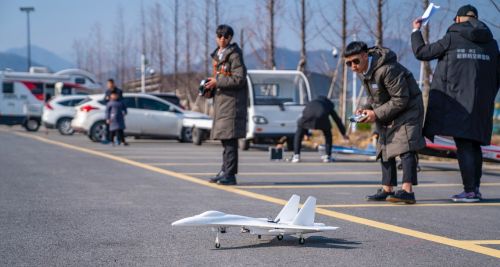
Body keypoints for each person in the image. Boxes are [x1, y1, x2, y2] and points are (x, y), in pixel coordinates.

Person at [411, 4, 499, 202]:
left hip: (457, 103)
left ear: (459, 19)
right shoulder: (492, 43)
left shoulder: (452, 38)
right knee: (474, 145)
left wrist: (416, 30)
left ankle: (470, 191)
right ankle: (474, 189)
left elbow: (422, 53)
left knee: (464, 145)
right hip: (482, 104)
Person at [344, 41, 426, 204]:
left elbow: (401, 98)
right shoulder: (363, 71)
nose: (353, 66)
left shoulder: (388, 69)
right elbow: (373, 96)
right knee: (384, 145)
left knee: (405, 146)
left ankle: (407, 191)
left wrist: (376, 113)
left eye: (355, 61)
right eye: (348, 63)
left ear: (365, 56)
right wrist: (364, 109)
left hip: (409, 108)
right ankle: (387, 188)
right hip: (389, 107)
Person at [204, 24, 248, 186]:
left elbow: (239, 79)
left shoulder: (234, 55)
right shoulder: (219, 55)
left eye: (226, 36)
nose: (222, 39)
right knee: (225, 140)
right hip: (222, 103)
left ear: (230, 38)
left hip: (232, 105)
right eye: (219, 36)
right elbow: (221, 80)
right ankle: (224, 171)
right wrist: (209, 88)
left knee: (230, 141)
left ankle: (230, 175)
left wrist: (218, 81)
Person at [292, 96, 348, 163]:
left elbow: (305, 113)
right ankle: (327, 156)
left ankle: (296, 155)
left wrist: (305, 133)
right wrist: (343, 133)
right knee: (328, 135)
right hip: (322, 117)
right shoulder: (328, 104)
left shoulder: (311, 102)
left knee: (298, 133)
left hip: (307, 117)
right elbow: (336, 119)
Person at [102, 79, 123, 144]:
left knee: (118, 126)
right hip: (109, 111)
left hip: (117, 111)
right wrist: (107, 99)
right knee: (108, 126)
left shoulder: (119, 91)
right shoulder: (107, 91)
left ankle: (119, 139)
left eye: (109, 84)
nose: (108, 85)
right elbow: (104, 101)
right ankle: (108, 139)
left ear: (113, 84)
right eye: (107, 84)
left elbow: (120, 100)